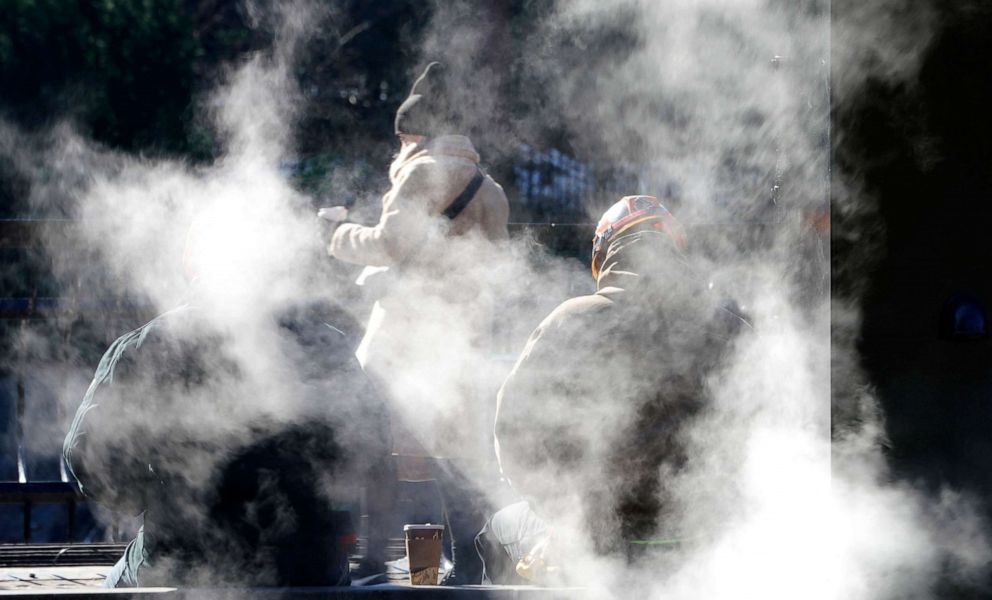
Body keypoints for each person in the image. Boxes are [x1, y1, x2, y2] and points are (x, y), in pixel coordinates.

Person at [63, 218, 389, 588]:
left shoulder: (146, 346)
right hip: (308, 571)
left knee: (117, 585)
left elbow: (87, 460)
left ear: (192, 265)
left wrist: (159, 498)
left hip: (181, 565)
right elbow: (374, 447)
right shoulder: (327, 348)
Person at [488, 195, 749, 582]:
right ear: (676, 250)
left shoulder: (571, 320)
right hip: (704, 530)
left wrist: (560, 512)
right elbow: (769, 433)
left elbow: (510, 429)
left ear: (605, 255)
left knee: (495, 529)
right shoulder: (731, 329)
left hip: (596, 531)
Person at [318, 61, 509, 585]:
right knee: (455, 455)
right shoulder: (491, 190)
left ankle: (374, 561)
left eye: (400, 137)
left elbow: (387, 243)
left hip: (407, 336)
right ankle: (470, 562)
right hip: (460, 335)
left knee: (378, 440)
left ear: (413, 134)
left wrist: (335, 233)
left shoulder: (422, 172)